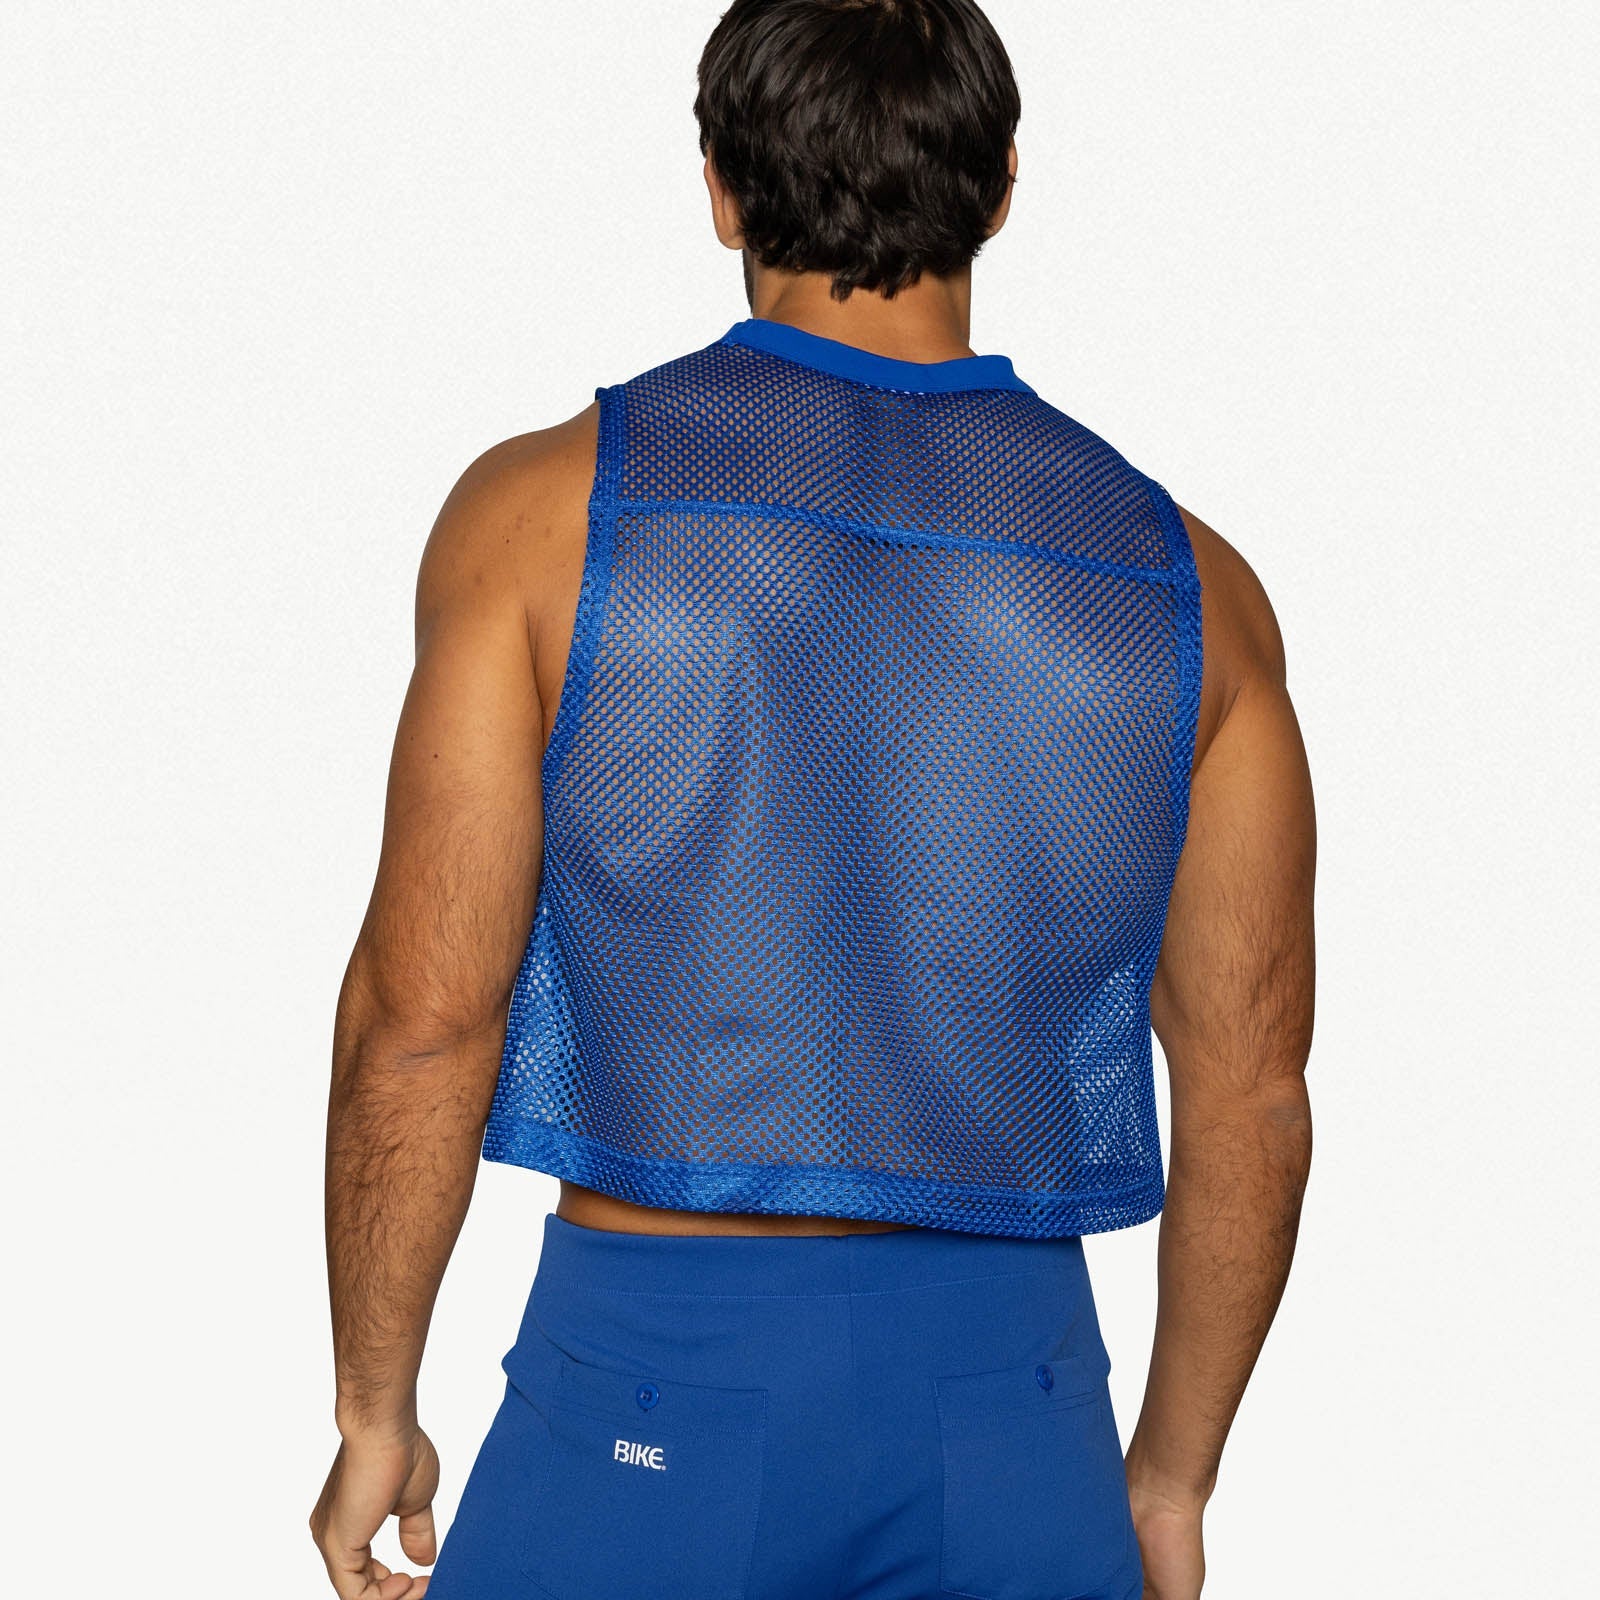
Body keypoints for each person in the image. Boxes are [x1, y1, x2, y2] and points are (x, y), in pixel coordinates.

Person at [308, 2, 1316, 1596]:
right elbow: (1252, 1092)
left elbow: (424, 1017)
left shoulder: (543, 521)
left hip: (656, 1386)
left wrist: (375, 1403)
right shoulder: (1194, 591)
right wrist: (1174, 1479)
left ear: (721, 189)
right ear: (1000, 188)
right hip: (1012, 1417)